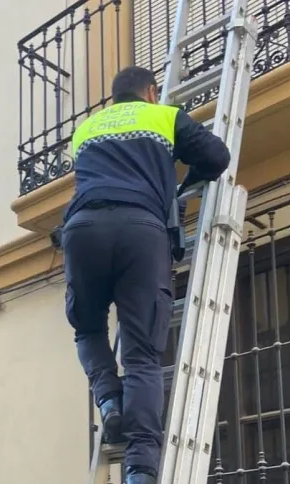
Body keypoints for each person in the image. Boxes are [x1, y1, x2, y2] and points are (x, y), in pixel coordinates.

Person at [61, 66, 231, 483]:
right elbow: (217, 157)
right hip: (141, 230)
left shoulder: (85, 131)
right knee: (142, 355)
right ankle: (139, 468)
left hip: (82, 229)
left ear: (114, 97)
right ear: (152, 92)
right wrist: (186, 182)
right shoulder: (164, 116)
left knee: (88, 329)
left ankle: (109, 401)